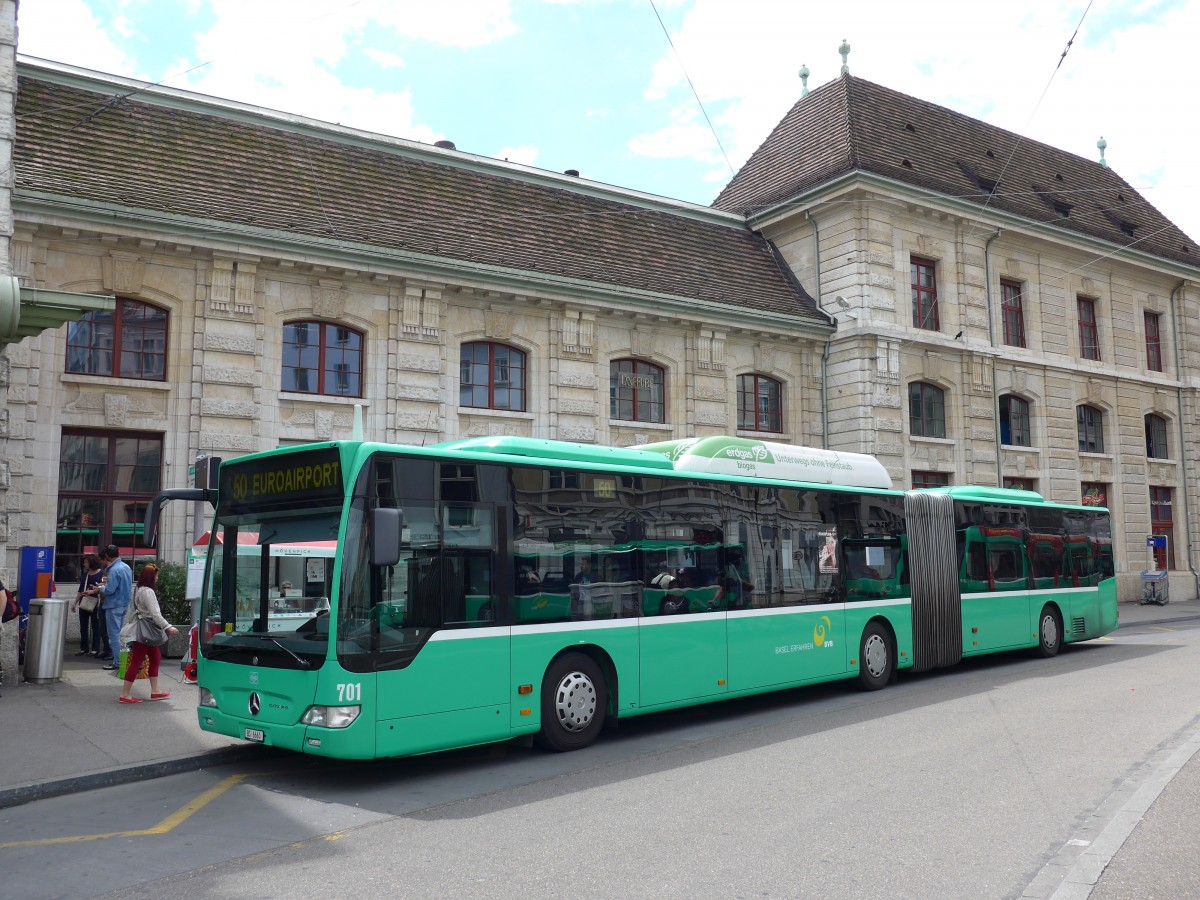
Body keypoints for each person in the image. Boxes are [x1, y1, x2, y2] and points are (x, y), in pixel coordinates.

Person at [117, 564, 178, 703]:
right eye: (156, 576)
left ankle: (155, 691)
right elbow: (155, 613)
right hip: (146, 631)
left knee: (155, 657)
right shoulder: (148, 592)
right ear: (151, 577)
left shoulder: (138, 589)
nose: (157, 578)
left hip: (143, 630)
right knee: (137, 662)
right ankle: (125, 694)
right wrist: (168, 627)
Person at [92, 544, 132, 671]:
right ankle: (121, 660)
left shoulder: (114, 570)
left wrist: (100, 588)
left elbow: (109, 590)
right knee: (119, 634)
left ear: (108, 556)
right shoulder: (126, 567)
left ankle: (118, 662)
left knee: (113, 635)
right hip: (124, 603)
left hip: (114, 604)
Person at [71, 553, 106, 657]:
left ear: (91, 562)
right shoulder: (85, 574)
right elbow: (80, 590)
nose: (84, 564)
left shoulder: (102, 574)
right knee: (83, 626)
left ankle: (95, 649)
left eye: (86, 562)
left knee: (95, 626)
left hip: (95, 602)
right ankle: (84, 648)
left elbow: (103, 588)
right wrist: (75, 603)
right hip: (84, 601)